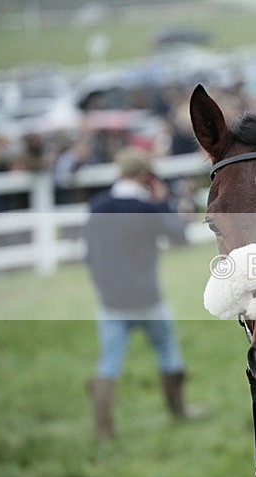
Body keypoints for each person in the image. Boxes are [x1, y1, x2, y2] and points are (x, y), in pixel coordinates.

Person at [85, 147, 193, 440]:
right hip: (147, 298)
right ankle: (179, 411)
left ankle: (102, 428)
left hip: (111, 299)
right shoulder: (147, 209)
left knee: (109, 362)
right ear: (146, 177)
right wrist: (163, 202)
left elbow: (90, 253)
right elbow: (180, 237)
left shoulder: (98, 206)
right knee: (167, 349)